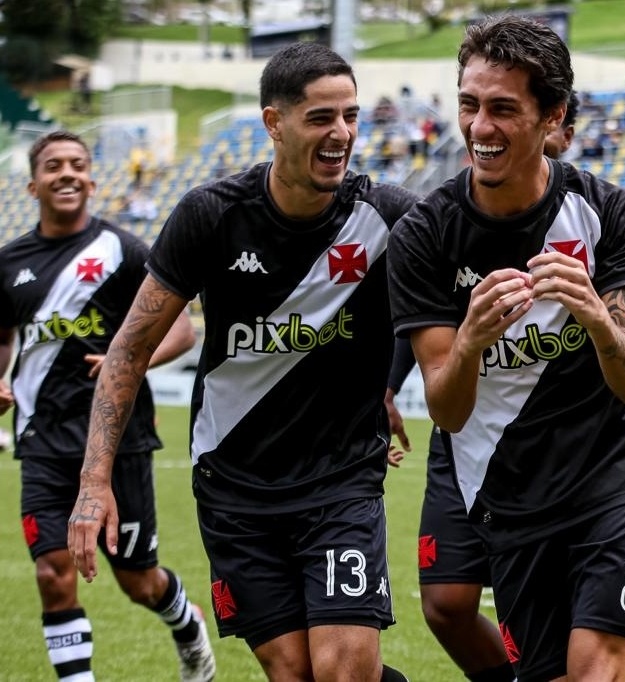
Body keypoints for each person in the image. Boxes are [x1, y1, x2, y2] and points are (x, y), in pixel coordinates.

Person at [387, 16, 625, 680]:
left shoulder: (610, 214)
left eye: (503, 109)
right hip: (510, 487)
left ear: (552, 117)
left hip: (612, 475)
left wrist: (596, 315)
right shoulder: (425, 233)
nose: (479, 127)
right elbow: (445, 410)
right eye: (469, 105)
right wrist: (469, 340)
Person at [67, 43, 415, 682]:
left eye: (351, 116)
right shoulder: (211, 215)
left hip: (340, 480)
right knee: (292, 675)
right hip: (233, 485)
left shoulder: (386, 215)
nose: (340, 133)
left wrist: (391, 384)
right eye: (320, 118)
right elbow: (128, 351)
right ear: (273, 123)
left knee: (344, 672)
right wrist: (94, 485)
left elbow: (439, 310)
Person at [0, 130, 213, 682]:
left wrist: (132, 362)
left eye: (77, 164)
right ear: (33, 183)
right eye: (53, 165)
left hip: (120, 442)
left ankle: (187, 627)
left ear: (93, 181)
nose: (66, 173)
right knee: (52, 573)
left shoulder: (125, 251)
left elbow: (182, 334)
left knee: (137, 581)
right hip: (41, 440)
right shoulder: (9, 263)